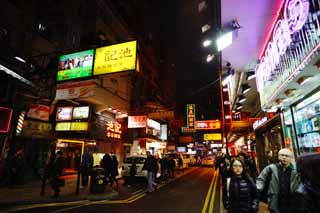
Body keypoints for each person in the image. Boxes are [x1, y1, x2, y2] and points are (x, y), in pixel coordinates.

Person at [256, 148, 300, 213]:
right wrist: (259, 188)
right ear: (279, 156)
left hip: (290, 203)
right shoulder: (271, 168)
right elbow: (261, 179)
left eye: (287, 156)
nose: (284, 157)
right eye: (282, 155)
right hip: (275, 202)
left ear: (291, 158)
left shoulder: (294, 172)